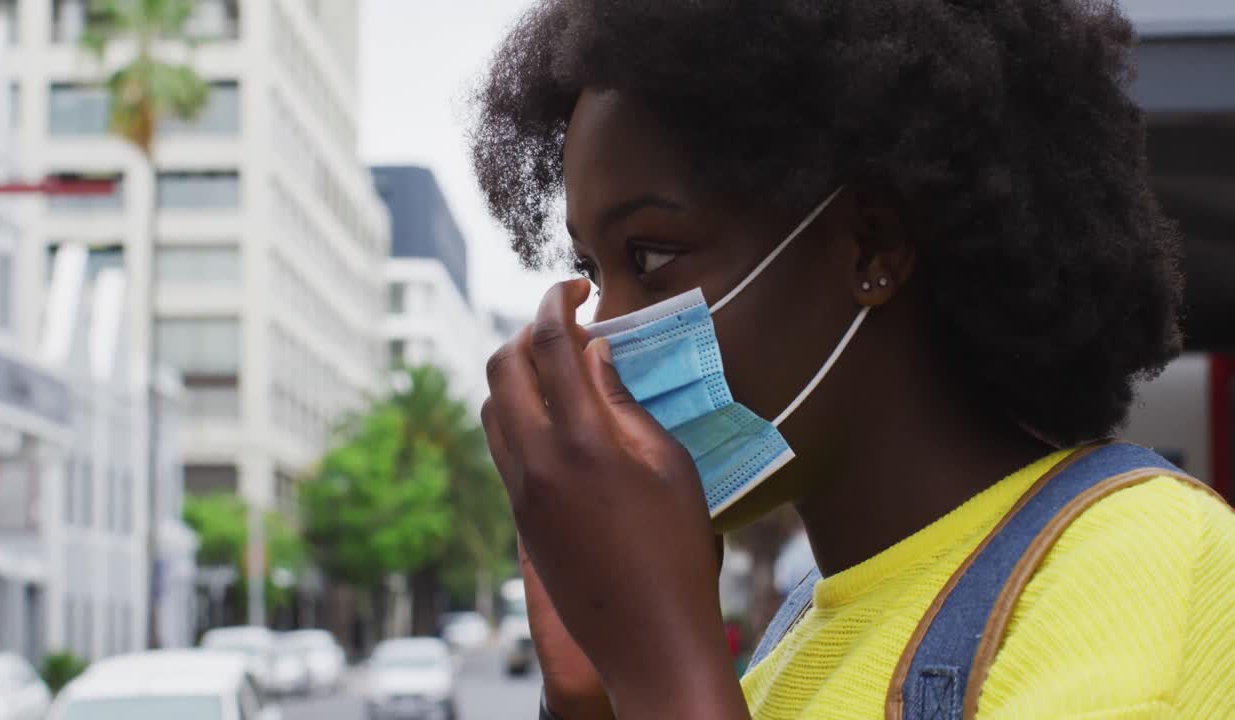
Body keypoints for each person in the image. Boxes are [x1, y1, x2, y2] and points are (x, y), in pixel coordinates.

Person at [470, 1, 1235, 719]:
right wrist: (593, 701)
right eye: (593, 271)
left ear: (872, 247)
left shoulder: (1148, 566)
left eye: (652, 255)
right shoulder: (787, 652)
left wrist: (659, 670)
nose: (603, 336)